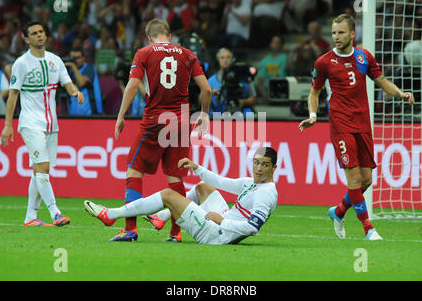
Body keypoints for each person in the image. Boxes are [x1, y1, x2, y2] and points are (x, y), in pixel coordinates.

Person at [298, 14, 415, 240]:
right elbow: (314, 92)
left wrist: (399, 93)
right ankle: (368, 229)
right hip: (340, 124)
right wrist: (313, 115)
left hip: (363, 123)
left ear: (352, 34)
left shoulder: (364, 57)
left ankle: (339, 211)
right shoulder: (323, 62)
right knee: (353, 178)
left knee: (366, 180)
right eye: (333, 33)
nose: (336, 37)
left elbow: (380, 80)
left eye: (341, 32)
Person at [111, 19, 212, 242]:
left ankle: (130, 229)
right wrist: (204, 114)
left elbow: (133, 85)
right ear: (168, 35)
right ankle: (176, 233)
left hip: (156, 120)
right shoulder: (187, 54)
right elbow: (206, 89)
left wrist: (121, 115)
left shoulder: (144, 53)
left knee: (134, 171)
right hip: (182, 121)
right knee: (175, 178)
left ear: (149, 37)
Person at [84, 147, 278, 245]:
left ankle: (111, 215)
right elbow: (221, 182)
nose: (258, 169)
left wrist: (222, 221)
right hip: (223, 220)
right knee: (203, 187)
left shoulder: (266, 194)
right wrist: (197, 168)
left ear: (274, 168)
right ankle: (161, 217)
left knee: (168, 194)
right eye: (256, 163)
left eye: (265, 165)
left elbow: (252, 228)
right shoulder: (252, 183)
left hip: (218, 233)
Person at [0, 21, 84, 227]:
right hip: (30, 123)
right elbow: (13, 96)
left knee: (39, 171)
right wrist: (7, 125)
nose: (39, 35)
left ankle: (30, 216)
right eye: (34, 33)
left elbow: (67, 82)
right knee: (43, 167)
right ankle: (55, 212)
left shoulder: (56, 60)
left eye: (41, 32)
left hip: (51, 125)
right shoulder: (21, 63)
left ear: (45, 35)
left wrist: (75, 91)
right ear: (27, 39)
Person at [208, 47, 256, 116]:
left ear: (232, 59)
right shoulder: (211, 81)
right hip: (219, 112)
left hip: (241, 111)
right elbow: (201, 99)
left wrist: (243, 102)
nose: (225, 60)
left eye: (228, 57)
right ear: (218, 60)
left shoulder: (244, 77)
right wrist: (211, 93)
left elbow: (254, 98)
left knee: (249, 114)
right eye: (222, 57)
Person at [64, 48, 103, 115]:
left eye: (77, 58)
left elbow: (81, 83)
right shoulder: (68, 72)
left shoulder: (89, 68)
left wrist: (73, 65)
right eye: (73, 58)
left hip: (90, 114)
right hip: (73, 114)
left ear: (83, 58)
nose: (75, 61)